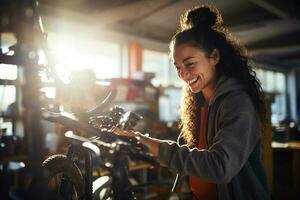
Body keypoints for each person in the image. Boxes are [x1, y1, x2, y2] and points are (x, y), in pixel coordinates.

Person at [112, 5, 270, 200]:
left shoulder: (238, 102)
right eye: (178, 67)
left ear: (214, 57)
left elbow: (220, 167)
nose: (183, 75)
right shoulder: (198, 101)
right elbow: (191, 157)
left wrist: (157, 147)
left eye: (190, 63)